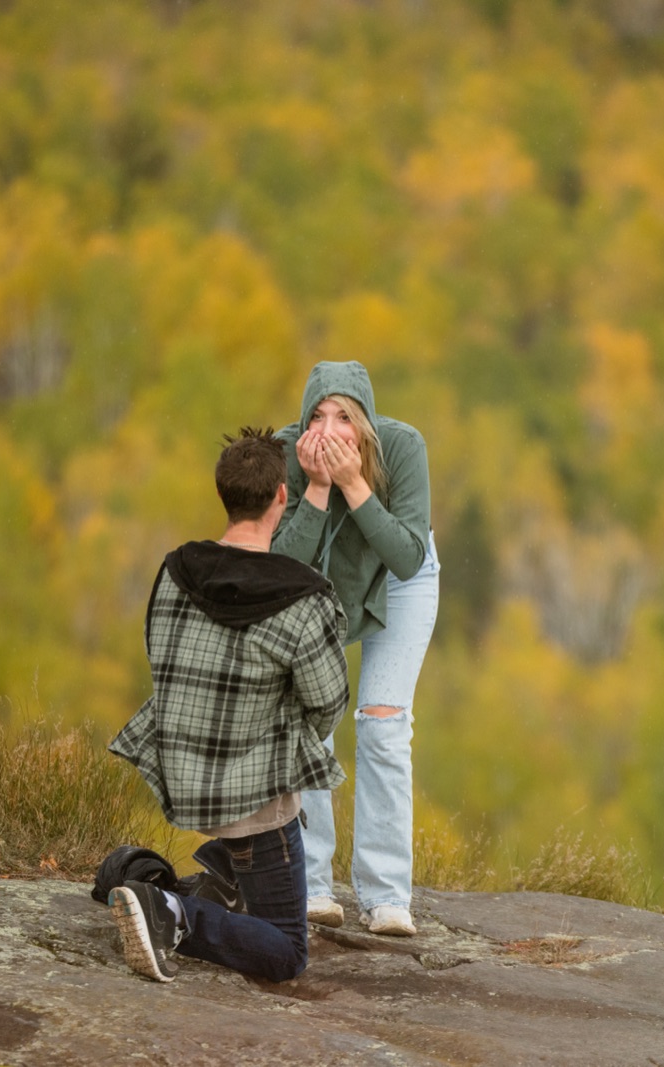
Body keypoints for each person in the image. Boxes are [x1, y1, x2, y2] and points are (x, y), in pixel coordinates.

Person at [106, 427, 350, 982]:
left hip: (182, 774)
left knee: (254, 893)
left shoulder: (174, 570)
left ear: (225, 494)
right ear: (282, 496)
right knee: (286, 953)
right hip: (254, 802)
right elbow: (328, 705)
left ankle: (133, 873)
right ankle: (170, 910)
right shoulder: (302, 598)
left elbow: (162, 656)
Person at [272, 360, 439, 937]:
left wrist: (354, 485)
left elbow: (407, 556)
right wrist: (318, 486)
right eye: (316, 416)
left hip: (399, 574)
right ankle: (312, 886)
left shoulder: (402, 446)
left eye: (343, 417)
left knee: (382, 722)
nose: (328, 430)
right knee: (309, 719)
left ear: (364, 422)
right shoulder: (286, 453)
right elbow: (282, 566)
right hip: (319, 577)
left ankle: (387, 896)